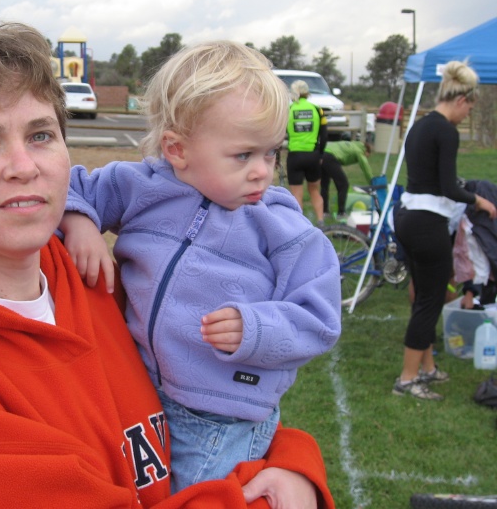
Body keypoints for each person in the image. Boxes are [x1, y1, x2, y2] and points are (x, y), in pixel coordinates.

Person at [0, 1, 335, 508]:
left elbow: (205, 401)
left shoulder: (91, 276)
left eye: (41, 135)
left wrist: (294, 462)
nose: (24, 167)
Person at [60, 41, 341, 493]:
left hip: (221, 418)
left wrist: (256, 329)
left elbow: (320, 316)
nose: (263, 172)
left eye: (271, 153)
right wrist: (79, 223)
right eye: (243, 155)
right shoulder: (141, 186)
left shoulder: (282, 224)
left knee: (195, 500)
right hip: (144, 392)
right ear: (177, 149)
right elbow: (68, 186)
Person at [393, 61, 497, 401]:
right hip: (427, 223)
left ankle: (427, 367)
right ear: (462, 100)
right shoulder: (446, 131)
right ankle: (408, 379)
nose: (467, 115)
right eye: (470, 108)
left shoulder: (420, 126)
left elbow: (430, 180)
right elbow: (449, 188)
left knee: (424, 296)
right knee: (430, 300)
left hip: (407, 216)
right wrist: (480, 201)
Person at [285, 80, 327, 224]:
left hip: (295, 155)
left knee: (297, 194)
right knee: (314, 190)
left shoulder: (289, 109)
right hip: (313, 155)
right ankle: (321, 221)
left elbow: (281, 133)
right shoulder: (316, 109)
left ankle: (300, 225)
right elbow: (324, 134)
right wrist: (321, 154)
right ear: (307, 92)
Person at [320, 140, 374, 219]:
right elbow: (365, 167)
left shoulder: (354, 145)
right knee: (343, 185)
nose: (366, 157)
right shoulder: (359, 150)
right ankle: (341, 213)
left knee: (324, 185)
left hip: (323, 154)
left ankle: (324, 212)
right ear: (366, 151)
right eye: (367, 156)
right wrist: (372, 182)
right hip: (331, 156)